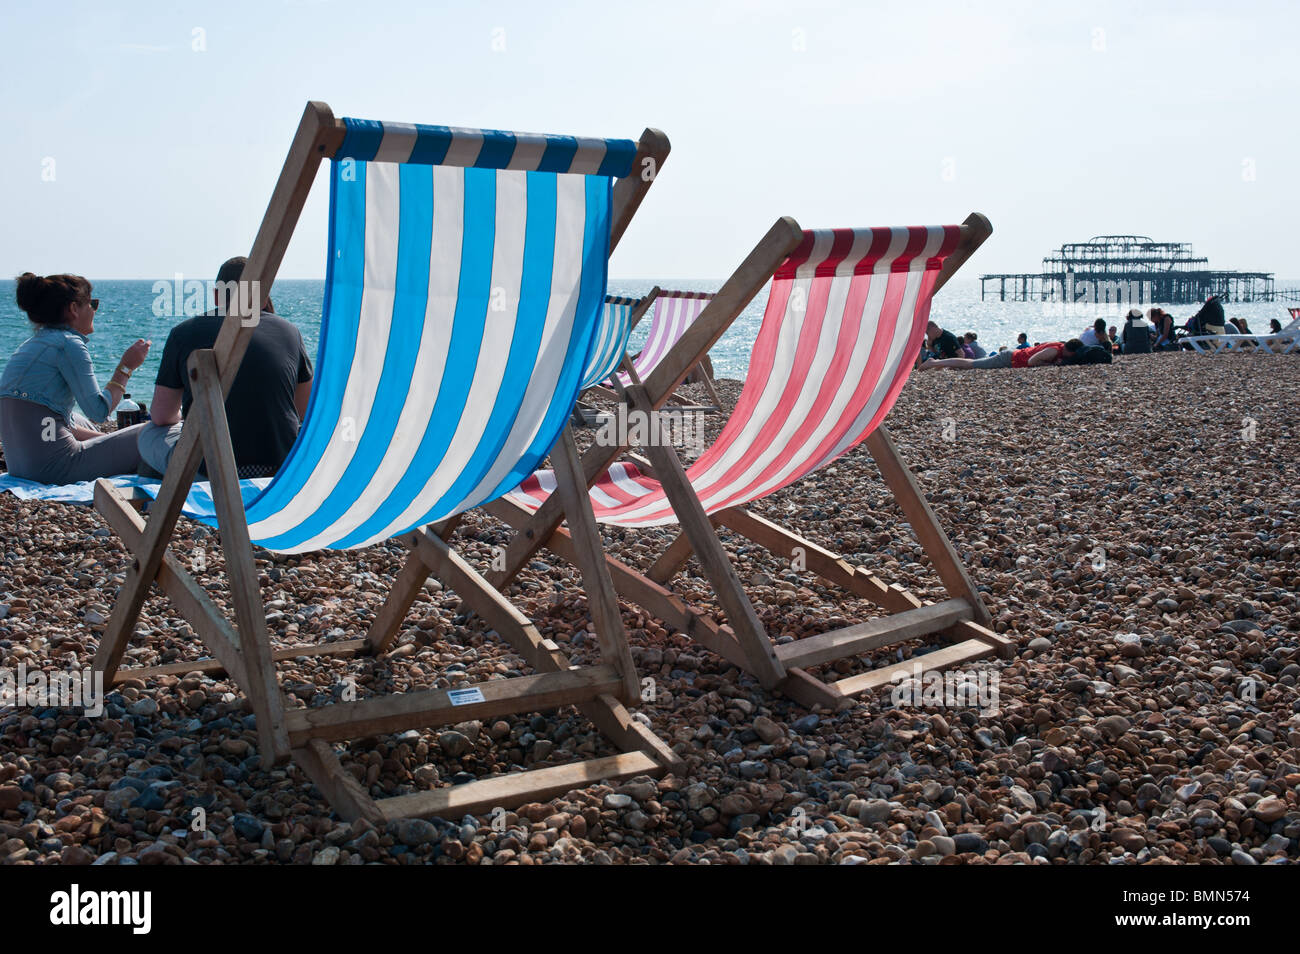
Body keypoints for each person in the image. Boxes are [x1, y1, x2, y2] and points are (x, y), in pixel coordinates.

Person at [138, 257, 313, 478]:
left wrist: (193, 412)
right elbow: (304, 410)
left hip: (210, 469)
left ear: (217, 294)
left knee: (148, 434)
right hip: (278, 466)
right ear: (263, 293)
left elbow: (162, 416)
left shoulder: (183, 333)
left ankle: (160, 504)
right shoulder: (290, 332)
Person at [0, 273, 151, 482]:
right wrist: (126, 367)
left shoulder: (32, 346)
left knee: (76, 419)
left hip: (23, 468)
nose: (94, 310)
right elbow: (99, 412)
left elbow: (54, 423)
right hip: (56, 470)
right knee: (152, 433)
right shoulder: (68, 344)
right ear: (73, 309)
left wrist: (112, 440)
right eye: (92, 303)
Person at [920, 339, 1077, 371]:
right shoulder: (1054, 351)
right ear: (1070, 351)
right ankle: (933, 363)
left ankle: (940, 364)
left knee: (969, 364)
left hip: (1010, 357)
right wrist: (1051, 365)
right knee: (970, 364)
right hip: (1008, 358)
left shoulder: (1058, 345)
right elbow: (1032, 361)